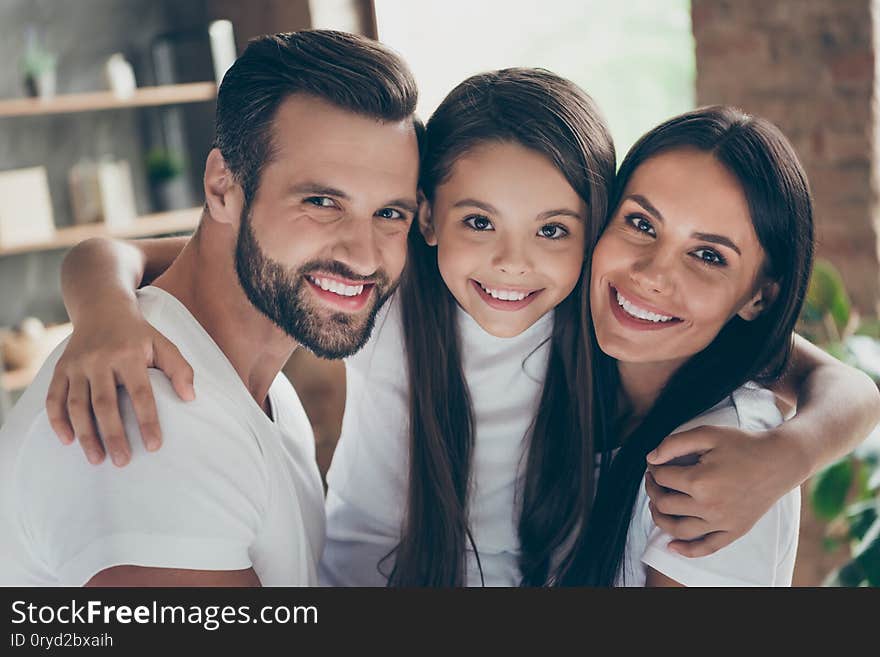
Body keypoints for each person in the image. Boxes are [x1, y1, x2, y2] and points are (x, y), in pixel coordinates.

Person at [45, 73, 879, 586]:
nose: (514, 265)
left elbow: (825, 379)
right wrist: (105, 308)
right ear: (430, 219)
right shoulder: (392, 286)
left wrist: (793, 453)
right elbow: (141, 250)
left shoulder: (599, 307)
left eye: (554, 230)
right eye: (480, 221)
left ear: (587, 232)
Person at [0, 30, 421, 586]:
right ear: (223, 186)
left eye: (390, 213)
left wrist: (102, 292)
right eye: (321, 201)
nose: (364, 255)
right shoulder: (153, 424)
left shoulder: (248, 368)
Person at [562, 106, 815, 585]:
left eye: (707, 255)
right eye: (640, 223)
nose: (653, 276)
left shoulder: (727, 463)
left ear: (759, 298)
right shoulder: (553, 353)